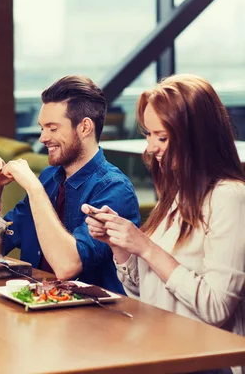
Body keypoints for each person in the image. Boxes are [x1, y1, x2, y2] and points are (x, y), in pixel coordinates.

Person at [84, 75, 245, 373]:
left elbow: (216, 308)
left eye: (162, 137)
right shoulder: (177, 193)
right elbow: (143, 293)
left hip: (206, 362)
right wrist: (119, 245)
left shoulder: (229, 197)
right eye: (148, 134)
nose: (151, 148)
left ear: (196, 138)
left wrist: (145, 247)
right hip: (161, 348)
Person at [0, 75, 139, 294]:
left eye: (52, 128)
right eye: (42, 128)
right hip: (35, 307)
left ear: (84, 127)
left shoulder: (114, 189)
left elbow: (67, 267)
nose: (43, 138)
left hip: (92, 320)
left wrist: (34, 190)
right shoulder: (49, 177)